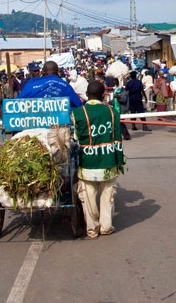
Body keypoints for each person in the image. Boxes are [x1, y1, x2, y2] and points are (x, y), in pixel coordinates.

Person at [71, 80, 126, 239]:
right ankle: (106, 227)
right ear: (103, 95)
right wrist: (119, 161)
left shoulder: (78, 113)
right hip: (109, 162)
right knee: (107, 197)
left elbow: (76, 137)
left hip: (87, 163)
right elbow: (117, 138)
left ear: (87, 95)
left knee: (88, 198)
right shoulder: (112, 112)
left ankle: (92, 229)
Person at [16, 60, 83, 107]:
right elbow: (78, 105)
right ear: (58, 72)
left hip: (34, 120)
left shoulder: (31, 83)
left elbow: (17, 103)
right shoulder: (65, 85)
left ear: (43, 72)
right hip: (59, 121)